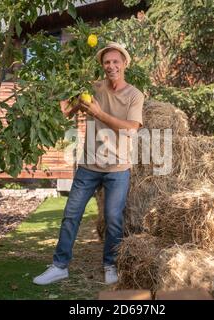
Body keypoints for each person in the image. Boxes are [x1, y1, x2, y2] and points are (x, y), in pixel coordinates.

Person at [33, 42, 144, 285]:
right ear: (102, 66)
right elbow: (65, 111)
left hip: (118, 168)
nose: (111, 66)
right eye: (107, 62)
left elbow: (131, 129)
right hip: (88, 166)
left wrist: (98, 113)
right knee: (71, 214)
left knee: (113, 218)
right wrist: (67, 84)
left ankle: (110, 265)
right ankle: (59, 266)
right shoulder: (91, 88)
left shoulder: (134, 95)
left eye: (116, 61)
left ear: (125, 64)